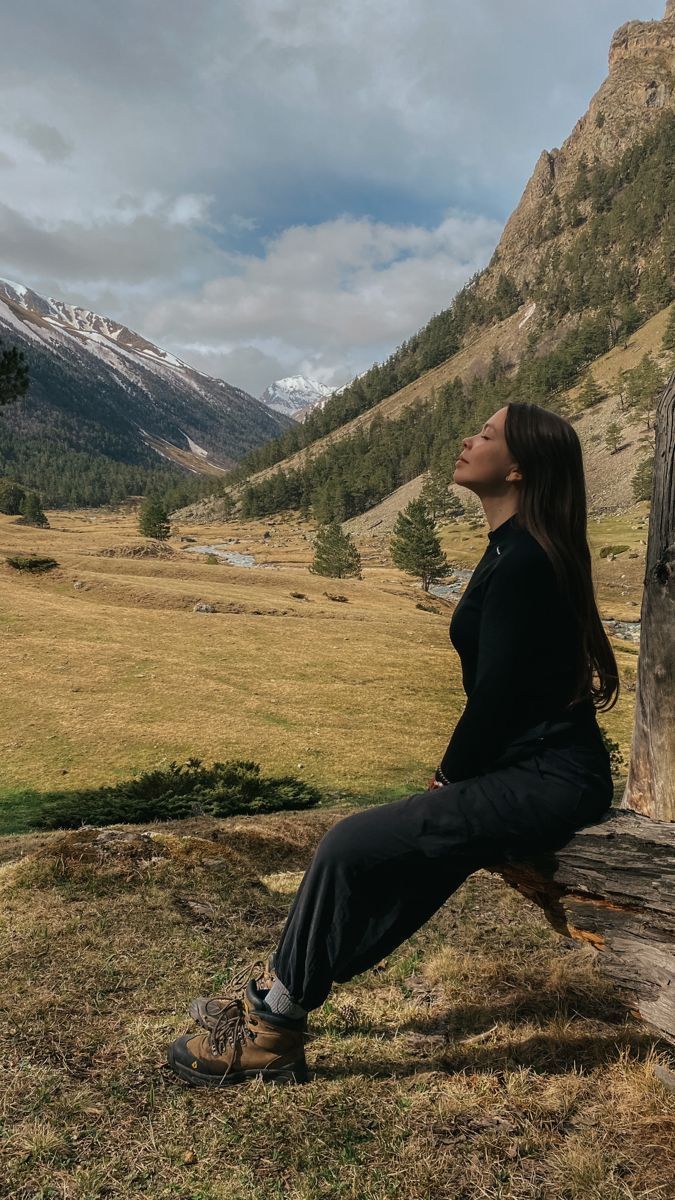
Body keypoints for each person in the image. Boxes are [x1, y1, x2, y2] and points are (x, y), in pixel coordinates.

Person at [167, 401, 619, 1087]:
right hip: (525, 769)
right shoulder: (512, 547)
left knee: (348, 844)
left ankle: (270, 1028)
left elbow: (496, 695)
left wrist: (447, 776)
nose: (467, 439)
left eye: (486, 434)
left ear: (518, 467)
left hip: (548, 777)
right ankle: (277, 1001)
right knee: (410, 872)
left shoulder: (524, 559)